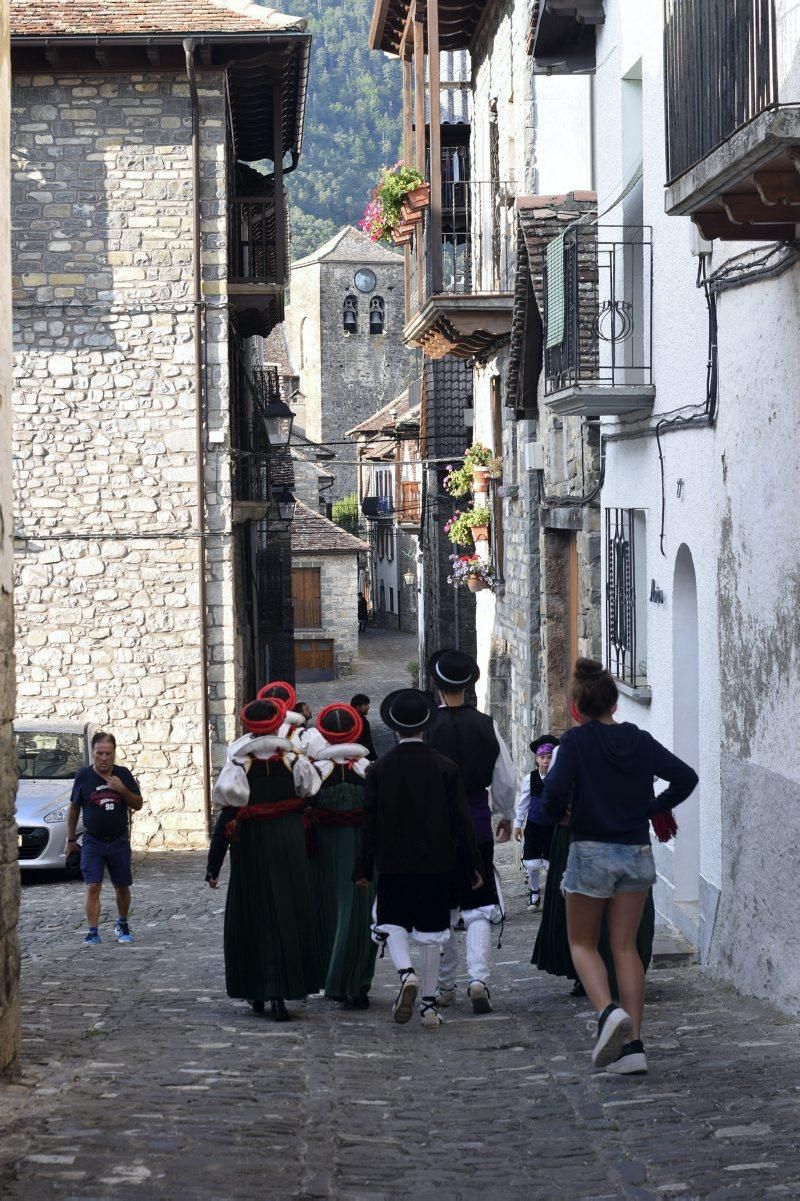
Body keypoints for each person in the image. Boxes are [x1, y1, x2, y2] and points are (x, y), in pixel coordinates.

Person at [541, 658, 698, 1075]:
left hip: (590, 851)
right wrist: (652, 808)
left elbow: (553, 793)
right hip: (635, 852)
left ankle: (607, 1011)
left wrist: (558, 814)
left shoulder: (574, 744)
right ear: (614, 702)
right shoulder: (640, 740)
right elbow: (685, 776)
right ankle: (634, 1048)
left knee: (582, 944)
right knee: (625, 947)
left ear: (577, 708)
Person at [354, 689, 483, 1030]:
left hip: (394, 862)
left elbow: (369, 823)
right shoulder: (445, 768)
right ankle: (427, 1006)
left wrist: (364, 868)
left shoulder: (379, 769)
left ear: (394, 727)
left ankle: (405, 974)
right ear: (425, 726)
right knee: (431, 933)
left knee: (390, 920)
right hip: (437, 864)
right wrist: (472, 866)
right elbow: (461, 821)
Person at [206, 696, 324, 1022]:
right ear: (275, 724)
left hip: (253, 845)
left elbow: (226, 816)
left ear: (249, 727)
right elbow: (311, 796)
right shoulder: (293, 760)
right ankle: (283, 991)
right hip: (287, 841)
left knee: (255, 914)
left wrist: (213, 865)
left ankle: (258, 990)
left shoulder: (239, 765)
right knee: (287, 911)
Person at [426, 649, 516, 1015]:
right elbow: (505, 778)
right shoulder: (486, 725)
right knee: (478, 903)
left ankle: (445, 984)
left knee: (441, 906)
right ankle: (478, 980)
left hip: (436, 827)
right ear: (469, 685)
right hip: (477, 821)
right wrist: (506, 812)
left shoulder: (426, 727)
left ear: (436, 685)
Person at [307, 704, 376, 1008]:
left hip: (324, 852)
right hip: (363, 851)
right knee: (360, 915)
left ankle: (329, 978)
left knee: (329, 912)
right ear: (356, 730)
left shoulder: (315, 772)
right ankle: (357, 984)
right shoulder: (369, 770)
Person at [66, 731, 143, 945]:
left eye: (108, 754)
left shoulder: (123, 774)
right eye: (99, 753)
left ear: (114, 753)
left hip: (118, 840)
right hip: (93, 841)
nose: (104, 758)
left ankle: (123, 922)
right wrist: (71, 840)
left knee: (122, 886)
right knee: (93, 885)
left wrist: (121, 789)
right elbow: (73, 809)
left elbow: (138, 804)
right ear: (92, 753)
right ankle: (93, 931)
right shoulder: (83, 776)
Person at [514, 734, 559, 910]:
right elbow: (523, 803)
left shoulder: (559, 777)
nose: (546, 761)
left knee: (551, 862)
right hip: (534, 826)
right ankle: (534, 892)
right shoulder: (530, 779)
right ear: (537, 759)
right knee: (532, 863)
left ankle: (553, 895)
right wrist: (518, 825)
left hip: (553, 826)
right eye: (542, 757)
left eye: (550, 757)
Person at [350, 693, 377, 761]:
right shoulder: (362, 722)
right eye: (365, 705)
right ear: (357, 707)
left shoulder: (349, 717)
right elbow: (367, 742)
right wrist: (373, 758)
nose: (368, 707)